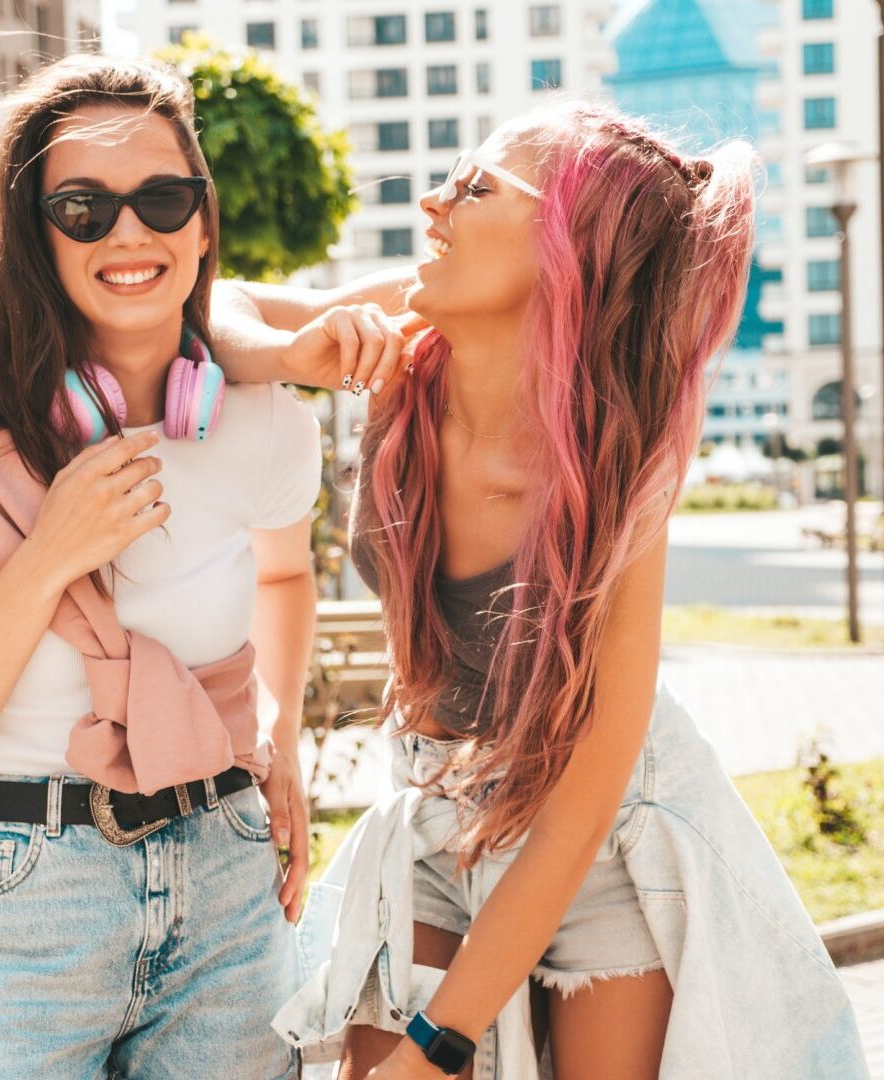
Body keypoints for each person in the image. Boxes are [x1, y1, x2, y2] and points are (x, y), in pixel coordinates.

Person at [210, 101, 868, 1079]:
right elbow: (222, 306)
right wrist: (291, 357)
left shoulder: (613, 469)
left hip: (604, 843)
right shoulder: (408, 341)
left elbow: (580, 807)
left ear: (566, 257)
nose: (432, 202)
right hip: (432, 810)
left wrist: (436, 1049)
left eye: (476, 189)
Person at [0, 55, 320, 1079]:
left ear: (204, 222)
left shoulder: (264, 424)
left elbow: (282, 579)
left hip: (226, 876)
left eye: (163, 199)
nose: (130, 233)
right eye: (83, 207)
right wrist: (47, 559)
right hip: (25, 894)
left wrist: (287, 743)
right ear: (36, 238)